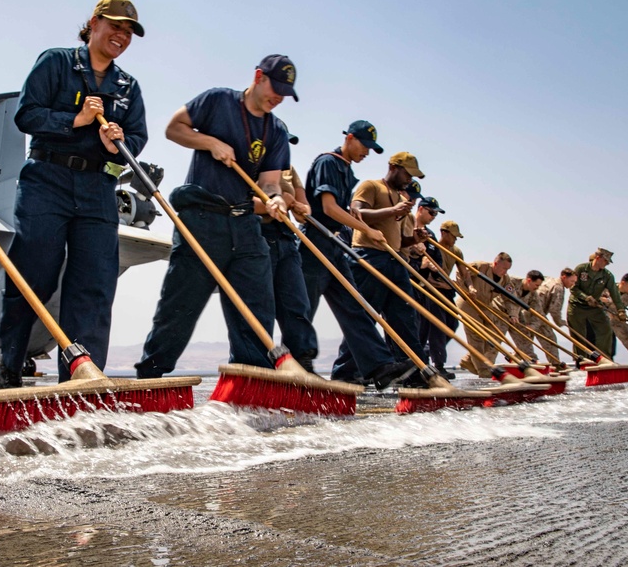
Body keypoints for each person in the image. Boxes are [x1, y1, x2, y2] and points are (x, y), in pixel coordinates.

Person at [0, 0, 148, 388]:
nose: (121, 36)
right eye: (115, 26)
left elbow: (138, 137)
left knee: (94, 285)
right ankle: (10, 368)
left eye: (128, 31)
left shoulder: (128, 87)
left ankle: (82, 381)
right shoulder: (56, 62)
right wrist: (76, 120)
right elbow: (26, 114)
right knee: (33, 273)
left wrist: (118, 142)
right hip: (47, 179)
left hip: (99, 186)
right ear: (94, 23)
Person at [135, 55, 295, 378]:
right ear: (258, 76)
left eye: (284, 93)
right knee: (180, 305)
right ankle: (150, 376)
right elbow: (173, 128)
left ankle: (252, 380)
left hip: (246, 223)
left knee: (256, 308)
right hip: (202, 218)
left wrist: (276, 199)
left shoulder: (276, 130)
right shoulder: (218, 100)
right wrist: (210, 143)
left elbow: (269, 182)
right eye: (274, 88)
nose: (277, 98)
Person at [301, 123, 428, 389]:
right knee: (303, 309)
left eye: (371, 149)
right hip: (317, 241)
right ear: (349, 139)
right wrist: (366, 229)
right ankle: (300, 367)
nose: (367, 153)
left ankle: (379, 366)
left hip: (337, 243)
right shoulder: (329, 162)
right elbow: (329, 208)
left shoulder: (347, 169)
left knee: (354, 308)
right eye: (364, 146)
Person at [347, 153, 431, 369]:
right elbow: (355, 213)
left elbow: (396, 240)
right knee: (365, 317)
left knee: (405, 316)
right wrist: (392, 211)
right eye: (407, 174)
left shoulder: (400, 199)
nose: (409, 180)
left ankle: (416, 369)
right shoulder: (371, 186)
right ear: (393, 167)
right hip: (369, 257)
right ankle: (346, 371)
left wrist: (414, 239)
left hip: (394, 260)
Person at [255, 159, 321, 373]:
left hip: (286, 237)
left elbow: (303, 212)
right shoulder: (250, 160)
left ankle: (302, 361)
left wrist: (300, 208)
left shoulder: (290, 170)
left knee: (297, 303)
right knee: (260, 305)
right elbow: (241, 201)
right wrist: (283, 199)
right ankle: (258, 364)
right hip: (258, 235)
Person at [418, 220, 467, 379]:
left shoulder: (456, 251)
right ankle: (439, 364)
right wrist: (435, 283)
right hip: (432, 291)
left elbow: (464, 273)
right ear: (444, 233)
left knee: (452, 323)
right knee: (438, 327)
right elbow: (424, 271)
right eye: (453, 236)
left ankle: (429, 350)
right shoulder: (432, 248)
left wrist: (460, 286)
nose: (455, 240)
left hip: (447, 291)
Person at [456, 252, 517, 377]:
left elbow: (510, 298)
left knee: (492, 338)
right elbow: (461, 272)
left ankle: (468, 360)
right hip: (469, 304)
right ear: (495, 264)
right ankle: (484, 371)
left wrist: (513, 314)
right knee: (476, 336)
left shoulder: (505, 279)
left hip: (486, 306)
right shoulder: (481, 267)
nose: (505, 272)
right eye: (504, 268)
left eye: (508, 269)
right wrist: (469, 288)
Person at [567, 248, 625, 360]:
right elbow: (574, 288)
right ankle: (581, 361)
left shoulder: (607, 275)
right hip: (577, 306)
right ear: (598, 258)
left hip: (594, 308)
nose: (607, 264)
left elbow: (615, 294)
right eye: (605, 261)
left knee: (606, 330)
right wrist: (586, 298)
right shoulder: (581, 269)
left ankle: (603, 359)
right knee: (579, 335)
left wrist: (621, 310)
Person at [528, 268, 578, 366]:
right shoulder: (558, 287)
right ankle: (556, 364)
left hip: (527, 310)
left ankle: (518, 357)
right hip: (537, 314)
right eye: (572, 281)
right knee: (550, 339)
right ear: (564, 277)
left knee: (526, 339)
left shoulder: (549, 279)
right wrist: (559, 322)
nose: (573, 284)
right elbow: (555, 309)